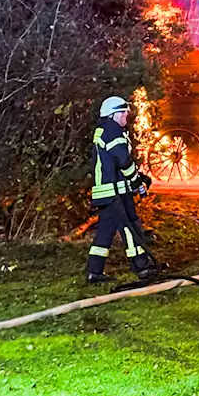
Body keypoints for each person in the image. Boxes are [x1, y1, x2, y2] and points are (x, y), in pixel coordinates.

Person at [86, 95, 162, 284]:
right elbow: (124, 162)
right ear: (113, 114)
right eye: (122, 113)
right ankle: (142, 267)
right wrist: (138, 184)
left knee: (106, 230)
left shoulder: (106, 130)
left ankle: (94, 272)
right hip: (113, 193)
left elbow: (116, 163)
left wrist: (138, 178)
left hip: (111, 191)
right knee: (130, 228)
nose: (125, 116)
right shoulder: (112, 131)